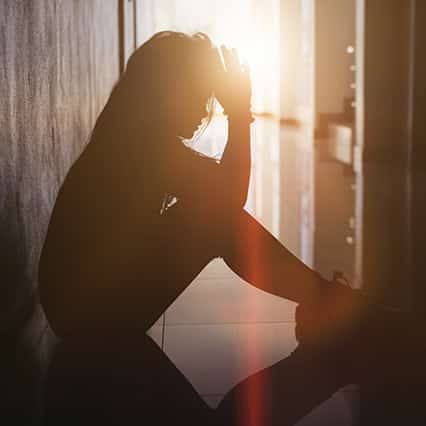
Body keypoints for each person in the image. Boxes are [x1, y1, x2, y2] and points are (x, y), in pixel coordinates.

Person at [38, 31, 420, 426]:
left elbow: (221, 196)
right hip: (87, 315)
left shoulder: (133, 136)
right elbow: (228, 201)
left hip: (81, 310)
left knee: (217, 215)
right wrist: (239, 112)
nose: (204, 110)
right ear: (168, 93)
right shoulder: (139, 147)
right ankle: (334, 306)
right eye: (199, 95)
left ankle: (331, 303)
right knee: (220, 219)